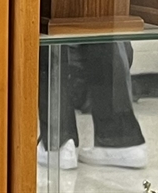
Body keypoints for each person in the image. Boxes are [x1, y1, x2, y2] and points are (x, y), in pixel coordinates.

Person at [37, 42, 147, 171]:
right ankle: (120, 138)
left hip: (74, 77)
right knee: (99, 25)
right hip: (99, 73)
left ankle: (59, 143)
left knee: (45, 27)